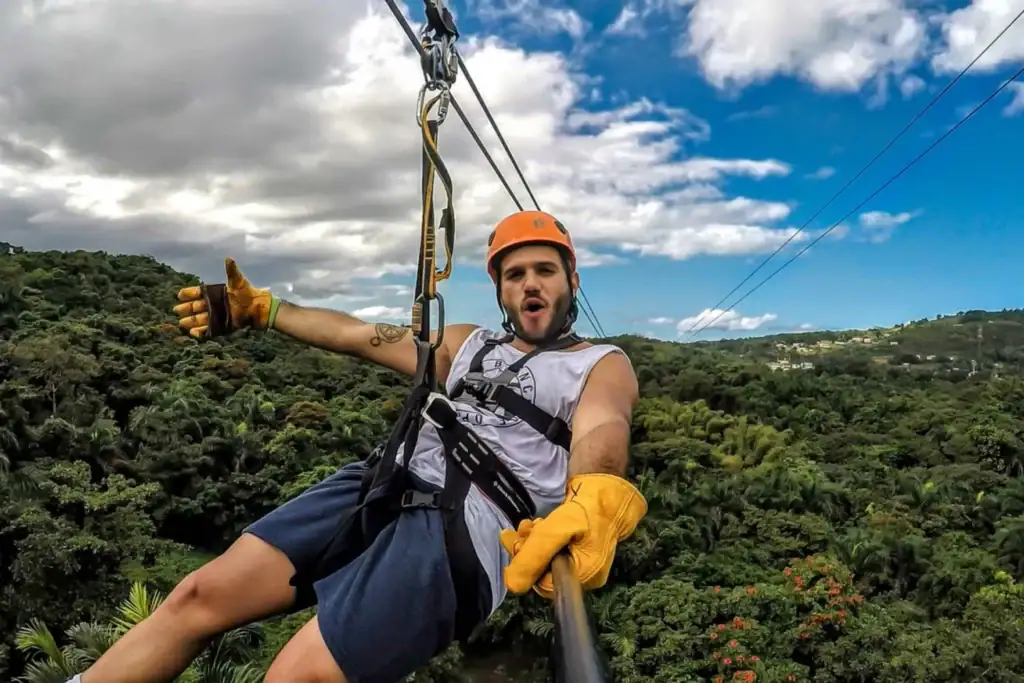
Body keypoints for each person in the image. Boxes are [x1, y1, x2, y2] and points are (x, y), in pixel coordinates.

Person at [68, 210, 647, 683]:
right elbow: (358, 337)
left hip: (471, 526)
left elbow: (603, 429)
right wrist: (268, 312)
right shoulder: (465, 343)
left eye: (545, 270)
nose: (530, 283)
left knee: (296, 677)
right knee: (198, 596)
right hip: (383, 479)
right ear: (500, 290)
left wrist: (593, 495)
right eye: (514, 274)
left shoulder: (600, 364)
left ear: (571, 281)